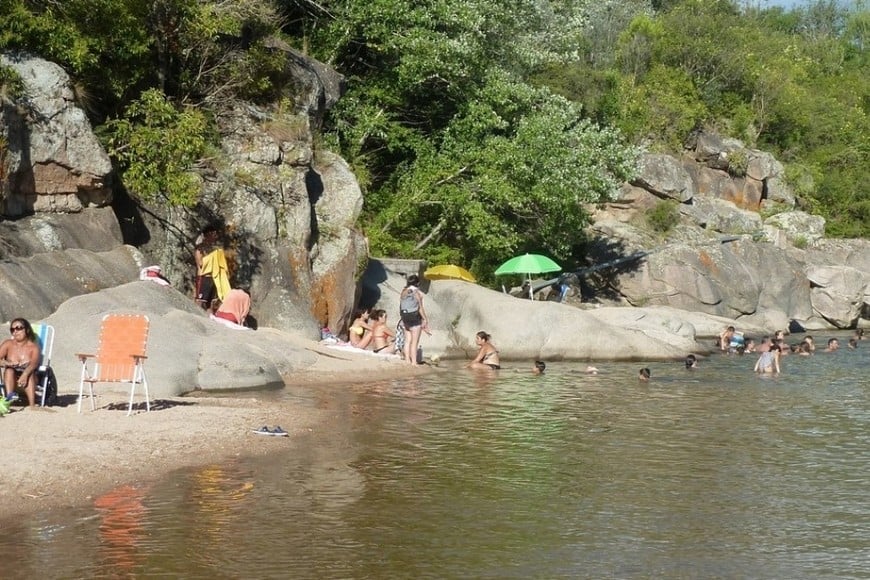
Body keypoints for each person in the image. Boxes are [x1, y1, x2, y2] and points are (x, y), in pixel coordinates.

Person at [0, 318, 42, 407]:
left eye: (18, 328)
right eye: (12, 329)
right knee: (9, 371)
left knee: (29, 373)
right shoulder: (8, 344)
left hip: (30, 378)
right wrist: (7, 363)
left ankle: (32, 405)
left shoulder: (34, 347)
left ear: (27, 330)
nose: (15, 331)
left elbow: (34, 363)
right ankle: (9, 400)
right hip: (11, 379)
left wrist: (25, 374)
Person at [194, 227, 230, 310]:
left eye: (216, 235)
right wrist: (213, 257)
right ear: (207, 235)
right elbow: (200, 263)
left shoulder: (214, 249)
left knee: (213, 301)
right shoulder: (200, 249)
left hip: (214, 277)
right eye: (213, 234)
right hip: (204, 277)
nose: (215, 237)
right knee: (201, 301)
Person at [399, 275, 429, 365]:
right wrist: (425, 319)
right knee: (414, 342)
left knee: (407, 340)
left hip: (405, 317)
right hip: (414, 318)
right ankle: (414, 362)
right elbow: (420, 308)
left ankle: (407, 360)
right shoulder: (417, 293)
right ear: (418, 283)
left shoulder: (403, 291)